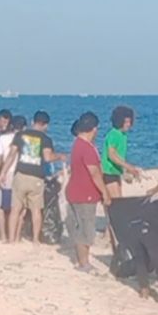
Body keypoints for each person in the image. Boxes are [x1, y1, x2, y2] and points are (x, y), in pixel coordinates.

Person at [0, 110, 66, 244]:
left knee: (15, 209)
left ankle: (12, 239)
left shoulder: (20, 135)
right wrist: (59, 156)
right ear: (46, 125)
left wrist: (3, 173)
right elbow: (47, 157)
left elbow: (11, 155)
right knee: (36, 210)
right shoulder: (46, 139)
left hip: (21, 175)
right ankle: (35, 240)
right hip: (36, 177)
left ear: (32, 122)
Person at [65, 112, 111, 274]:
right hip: (85, 194)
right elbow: (95, 173)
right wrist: (105, 192)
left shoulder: (76, 143)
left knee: (79, 228)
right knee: (86, 230)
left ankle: (81, 260)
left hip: (74, 191)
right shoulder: (87, 148)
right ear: (94, 129)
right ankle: (84, 263)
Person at [0, 115, 26, 242]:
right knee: (19, 207)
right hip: (22, 173)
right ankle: (17, 236)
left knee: (2, 207)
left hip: (7, 174)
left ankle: (4, 236)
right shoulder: (26, 138)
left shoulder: (3, 139)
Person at [101, 105, 141, 198]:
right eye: (126, 122)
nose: (128, 124)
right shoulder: (113, 134)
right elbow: (111, 155)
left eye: (130, 121)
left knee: (118, 200)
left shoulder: (123, 135)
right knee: (116, 202)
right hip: (109, 172)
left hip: (116, 172)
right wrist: (128, 166)